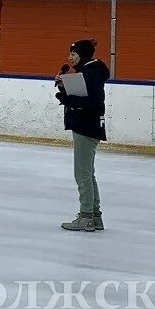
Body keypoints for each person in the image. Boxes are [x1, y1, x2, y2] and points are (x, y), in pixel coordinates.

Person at [55, 39, 109, 232]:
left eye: (73, 54)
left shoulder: (89, 73)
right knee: (88, 173)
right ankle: (95, 216)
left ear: (82, 55)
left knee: (82, 174)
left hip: (86, 127)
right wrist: (64, 89)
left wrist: (67, 96)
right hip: (88, 126)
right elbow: (85, 97)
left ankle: (86, 216)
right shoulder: (89, 72)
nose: (70, 58)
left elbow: (92, 101)